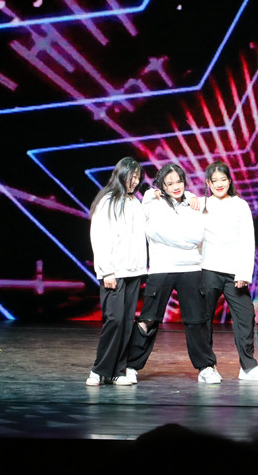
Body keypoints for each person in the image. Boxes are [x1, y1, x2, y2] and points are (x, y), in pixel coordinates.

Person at [126, 163, 221, 384]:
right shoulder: (152, 202)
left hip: (191, 268)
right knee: (148, 320)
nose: (176, 186)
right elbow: (155, 231)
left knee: (197, 320)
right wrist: (182, 239)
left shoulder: (193, 203)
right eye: (170, 183)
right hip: (161, 268)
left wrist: (174, 237)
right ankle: (130, 366)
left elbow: (196, 236)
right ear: (162, 186)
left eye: (179, 181)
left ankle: (206, 367)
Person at [201, 161, 258, 381]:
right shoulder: (201, 204)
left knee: (245, 316)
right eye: (214, 180)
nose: (219, 184)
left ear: (230, 181)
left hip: (233, 273)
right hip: (207, 269)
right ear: (208, 183)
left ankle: (248, 366)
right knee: (203, 319)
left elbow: (247, 240)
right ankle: (206, 367)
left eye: (223, 179)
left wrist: (243, 273)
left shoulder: (240, 205)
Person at [86, 157, 147, 386]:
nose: (135, 181)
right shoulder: (107, 201)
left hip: (134, 272)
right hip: (114, 272)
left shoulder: (136, 203)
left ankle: (118, 371)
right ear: (120, 174)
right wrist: (107, 271)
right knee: (114, 320)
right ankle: (98, 370)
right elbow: (99, 237)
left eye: (138, 177)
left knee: (127, 322)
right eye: (131, 176)